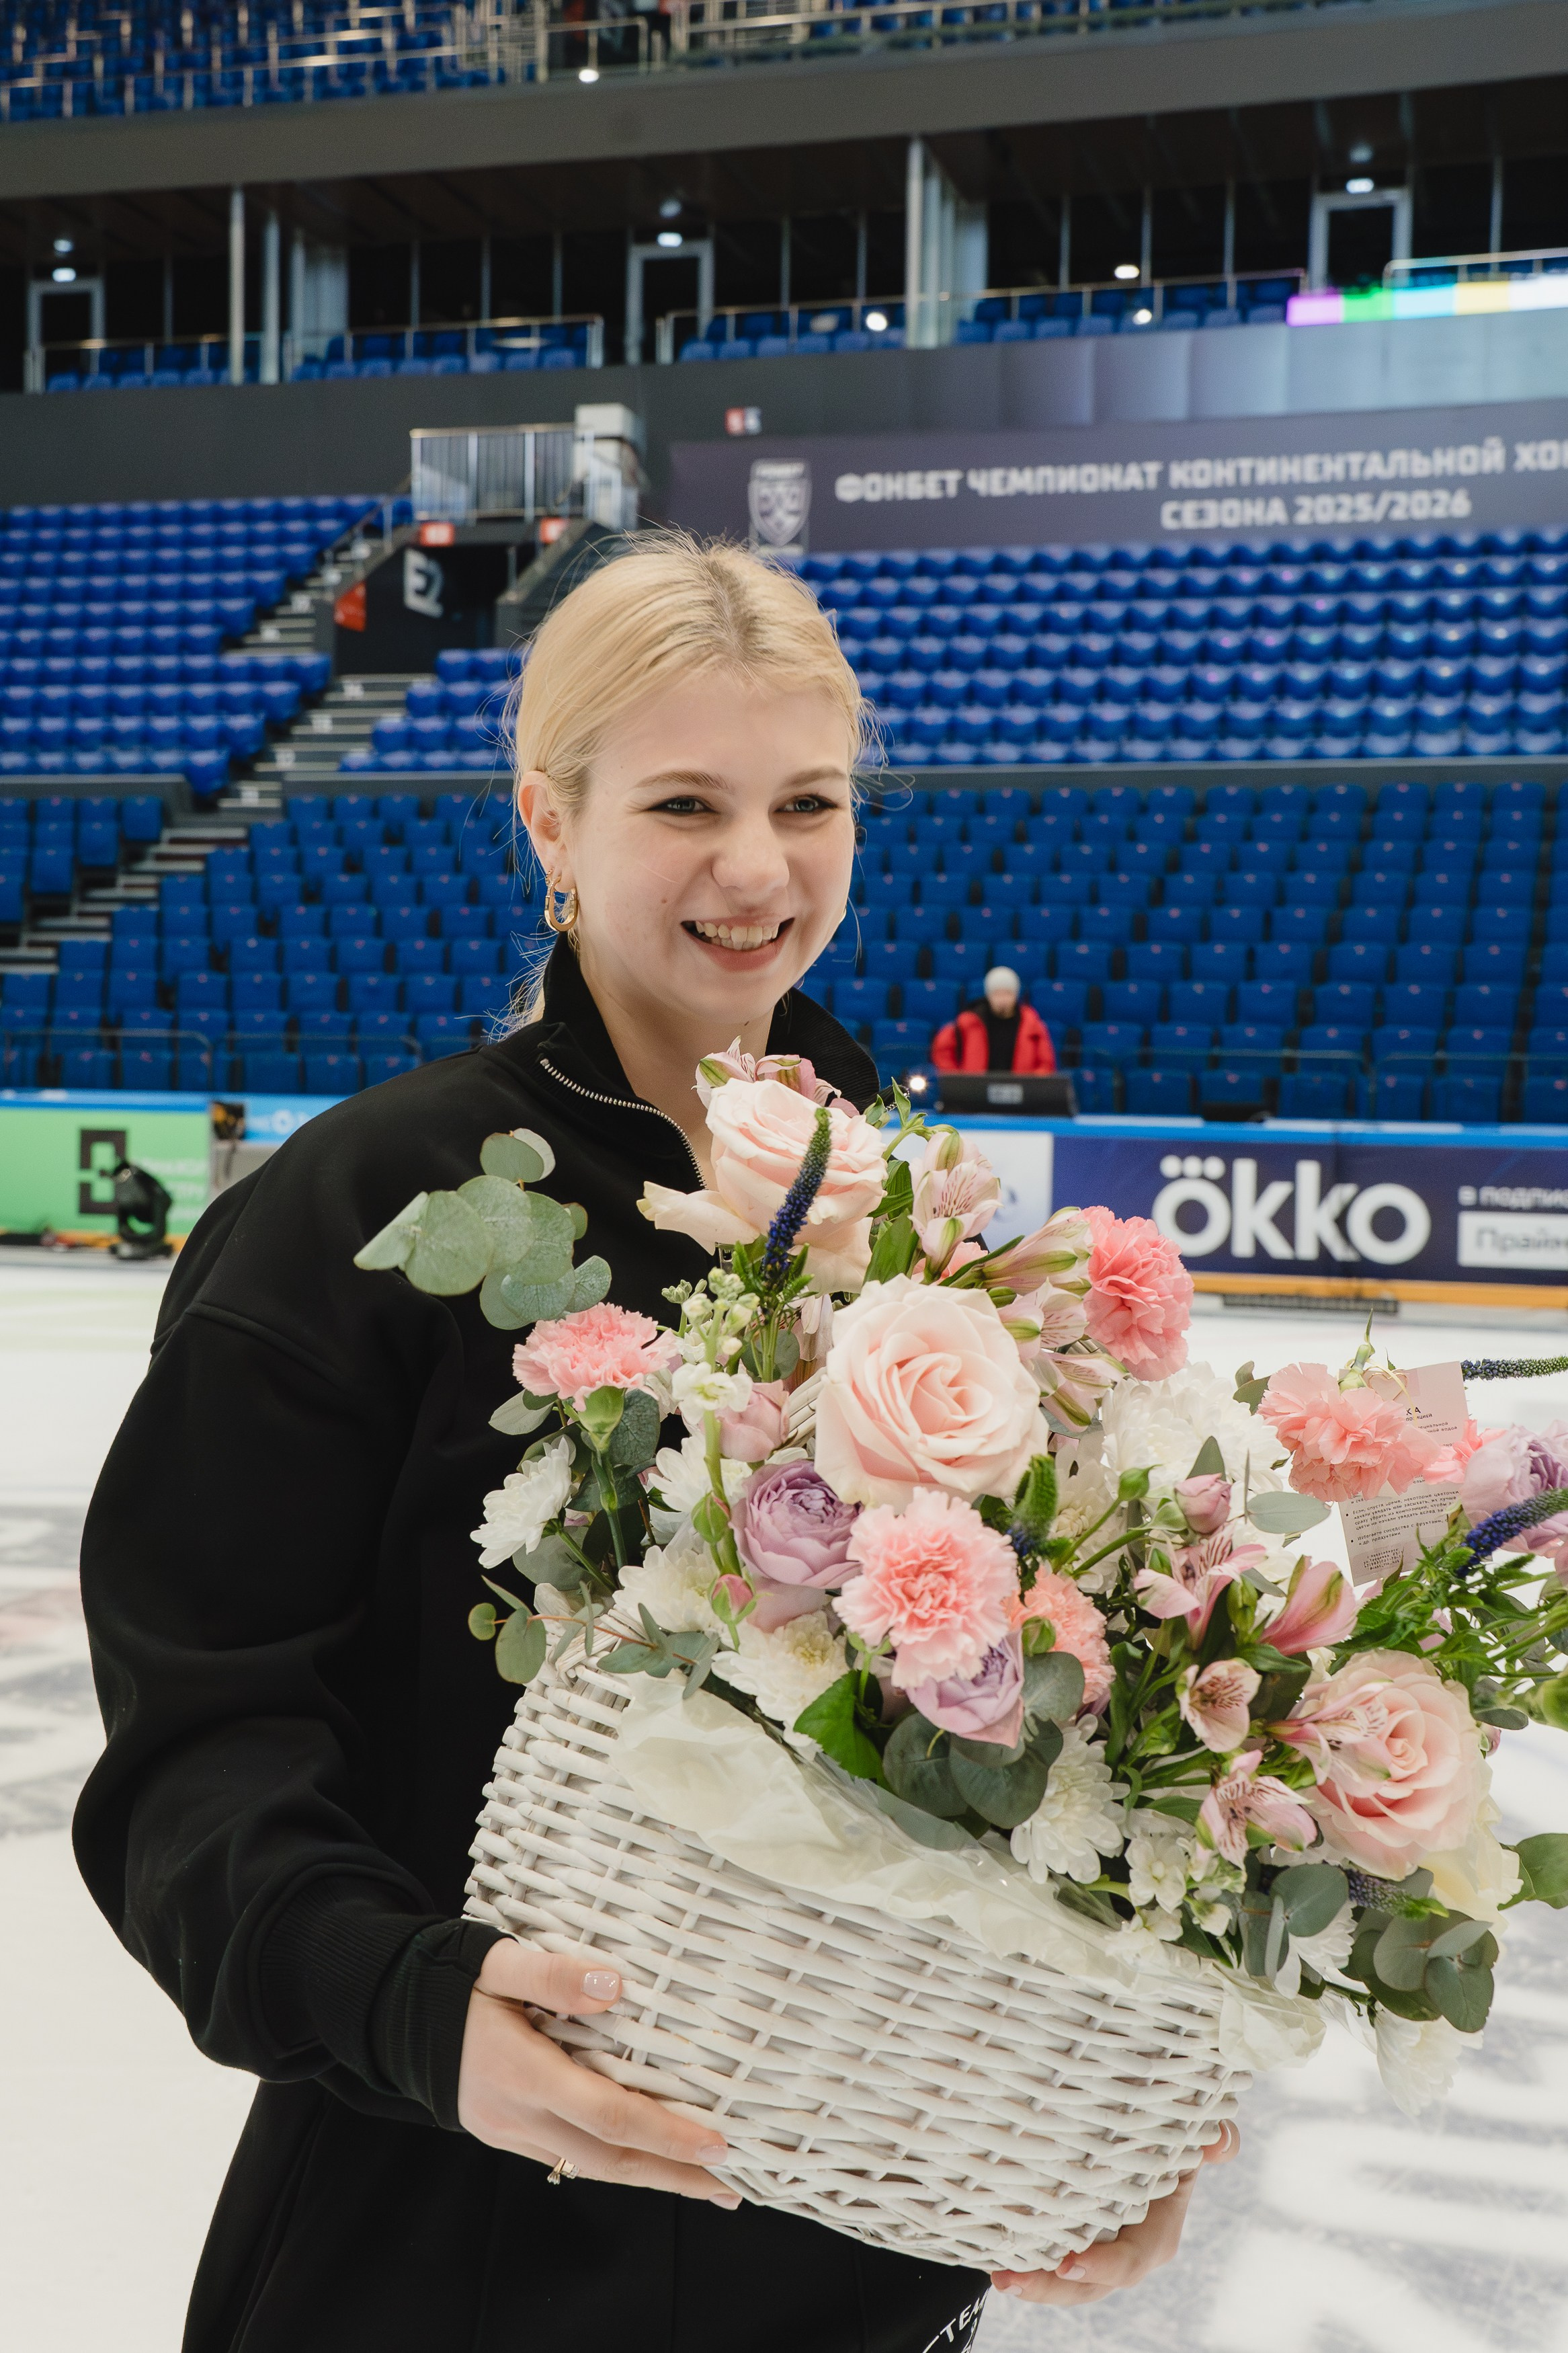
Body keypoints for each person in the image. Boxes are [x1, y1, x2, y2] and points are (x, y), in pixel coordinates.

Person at [73, 536, 1234, 2353]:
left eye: (807, 802)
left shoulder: (925, 1234)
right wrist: (406, 2000)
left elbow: (1047, 1750)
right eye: (683, 801)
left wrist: (1108, 2121)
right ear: (549, 820)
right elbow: (192, 1760)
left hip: (854, 2249)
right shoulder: (363, 1210)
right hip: (449, 2247)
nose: (756, 867)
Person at [932, 963, 1056, 1076]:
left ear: (1016, 995)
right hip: (976, 1093)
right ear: (989, 995)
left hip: (1020, 1093)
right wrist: (958, 1080)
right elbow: (942, 1051)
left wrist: (1032, 1085)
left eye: (1008, 993)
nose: (1003, 1000)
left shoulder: (1032, 1024)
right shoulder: (968, 1022)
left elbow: (1046, 1062)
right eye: (997, 994)